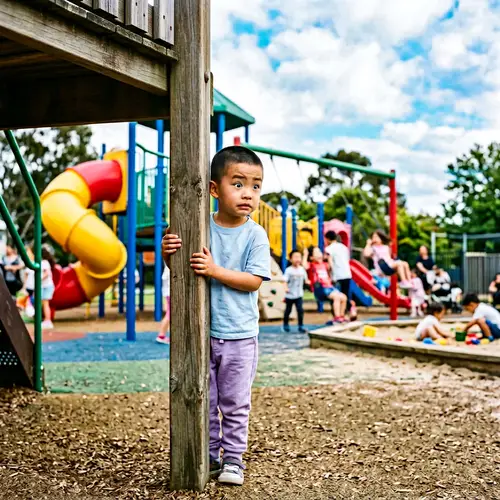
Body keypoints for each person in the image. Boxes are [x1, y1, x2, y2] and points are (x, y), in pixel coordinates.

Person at [162, 145, 270, 486]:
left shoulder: (255, 234)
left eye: (255, 186)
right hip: (203, 332)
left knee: (235, 404)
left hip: (239, 336)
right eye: (237, 184)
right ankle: (209, 454)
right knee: (203, 398)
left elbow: (253, 281)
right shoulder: (200, 226)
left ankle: (234, 460)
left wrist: (215, 270)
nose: (248, 194)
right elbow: (185, 268)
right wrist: (169, 254)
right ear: (213, 189)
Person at [303, 246, 348, 323]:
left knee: (344, 297)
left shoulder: (324, 264)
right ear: (311, 257)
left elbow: (331, 267)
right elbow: (304, 265)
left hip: (329, 287)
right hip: (320, 288)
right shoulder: (312, 265)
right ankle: (337, 317)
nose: (319, 254)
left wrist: (329, 258)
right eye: (316, 253)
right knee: (336, 297)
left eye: (320, 252)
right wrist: (305, 254)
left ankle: (341, 316)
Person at [324, 230, 353, 317]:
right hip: (347, 273)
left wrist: (330, 274)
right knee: (345, 295)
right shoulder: (344, 247)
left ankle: (336, 315)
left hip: (337, 275)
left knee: (335, 296)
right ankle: (346, 313)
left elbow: (330, 263)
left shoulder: (329, 249)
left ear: (328, 239)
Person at [283, 249, 309, 333]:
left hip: (299, 295)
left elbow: (306, 280)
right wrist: (286, 288)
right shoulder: (288, 270)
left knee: (300, 310)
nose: (297, 259)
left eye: (299, 257)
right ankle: (285, 324)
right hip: (290, 295)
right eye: (295, 257)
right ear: (290, 259)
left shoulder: (302, 269)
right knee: (288, 310)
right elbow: (284, 281)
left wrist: (308, 282)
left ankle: (300, 326)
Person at [41, 246, 56, 330]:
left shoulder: (44, 262)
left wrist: (39, 279)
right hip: (46, 286)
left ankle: (48, 320)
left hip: (47, 286)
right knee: (44, 304)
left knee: (46, 304)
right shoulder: (44, 262)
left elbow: (47, 273)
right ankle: (46, 320)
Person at [156, 266, 170, 344]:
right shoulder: (169, 268)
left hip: (167, 292)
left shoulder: (166, 269)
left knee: (169, 314)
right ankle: (161, 335)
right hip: (170, 292)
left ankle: (161, 335)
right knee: (169, 314)